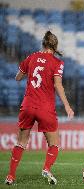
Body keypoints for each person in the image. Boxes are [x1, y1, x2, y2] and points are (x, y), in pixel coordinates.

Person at [5, 31, 74, 185]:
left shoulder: (32, 57)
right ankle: (46, 168)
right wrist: (67, 106)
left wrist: (25, 73)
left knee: (21, 142)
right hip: (45, 108)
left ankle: (10, 176)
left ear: (43, 44)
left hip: (28, 105)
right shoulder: (57, 63)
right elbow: (58, 85)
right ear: (55, 46)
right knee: (54, 144)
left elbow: (18, 77)